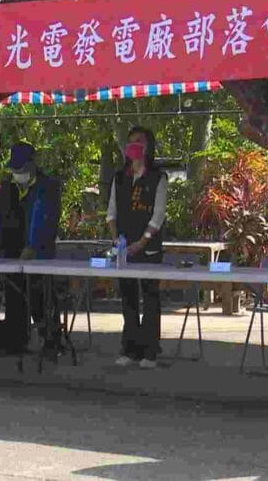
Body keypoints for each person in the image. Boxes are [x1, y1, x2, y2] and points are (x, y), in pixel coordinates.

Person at [0, 143, 62, 355]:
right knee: (14, 298)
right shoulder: (6, 189)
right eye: (14, 169)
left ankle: (51, 340)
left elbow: (47, 220)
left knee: (41, 297)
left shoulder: (48, 187)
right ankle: (17, 341)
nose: (17, 173)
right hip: (10, 255)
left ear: (32, 164)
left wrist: (33, 246)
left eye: (21, 169)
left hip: (39, 255)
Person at [107, 126, 168, 370]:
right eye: (131, 141)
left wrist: (142, 241)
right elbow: (111, 213)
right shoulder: (119, 178)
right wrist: (117, 240)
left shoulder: (158, 177)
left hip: (149, 249)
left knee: (151, 299)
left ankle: (150, 351)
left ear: (148, 146)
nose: (134, 145)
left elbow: (158, 215)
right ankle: (130, 349)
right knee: (128, 299)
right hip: (124, 249)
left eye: (139, 141)